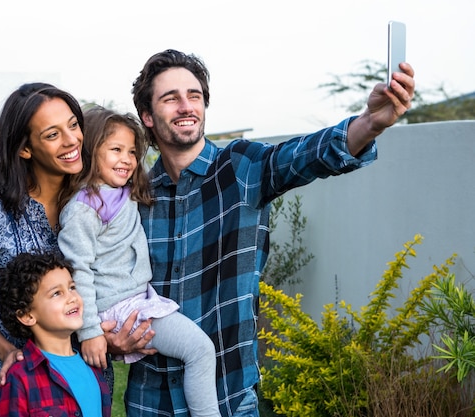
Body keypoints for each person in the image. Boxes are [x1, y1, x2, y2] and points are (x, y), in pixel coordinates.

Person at [102, 49, 416, 417]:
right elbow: (106, 278)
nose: (186, 106)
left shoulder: (240, 167)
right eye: (170, 98)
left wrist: (370, 123)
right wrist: (111, 339)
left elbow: (305, 154)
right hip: (148, 401)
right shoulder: (135, 196)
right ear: (148, 116)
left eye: (195, 96)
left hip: (227, 398)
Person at [58, 105, 221, 417]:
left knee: (196, 351)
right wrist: (90, 331)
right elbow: (77, 271)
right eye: (116, 149)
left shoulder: (120, 193)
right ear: (91, 152)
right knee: (199, 350)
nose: (127, 160)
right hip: (121, 308)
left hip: (136, 299)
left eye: (132, 151)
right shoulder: (85, 207)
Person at [0, 82, 88, 407]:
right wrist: (7, 351)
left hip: (89, 378)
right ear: (25, 148)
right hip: (27, 391)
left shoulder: (92, 201)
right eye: (53, 134)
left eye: (73, 125)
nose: (72, 140)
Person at [0, 251, 112, 417]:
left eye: (72, 287)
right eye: (57, 293)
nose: (72, 298)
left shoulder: (92, 364)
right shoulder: (19, 378)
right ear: (27, 316)